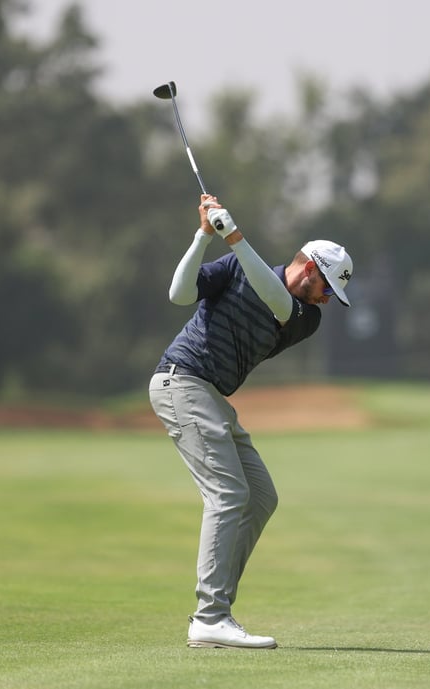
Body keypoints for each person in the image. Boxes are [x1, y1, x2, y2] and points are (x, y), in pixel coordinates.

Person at [149, 194, 353, 649]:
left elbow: (276, 299)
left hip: (211, 396)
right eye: (327, 288)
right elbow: (178, 294)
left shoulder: (306, 317)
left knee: (260, 496)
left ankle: (217, 613)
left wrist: (236, 238)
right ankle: (210, 616)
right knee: (228, 492)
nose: (327, 300)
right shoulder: (237, 266)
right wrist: (205, 235)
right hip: (182, 381)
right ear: (311, 269)